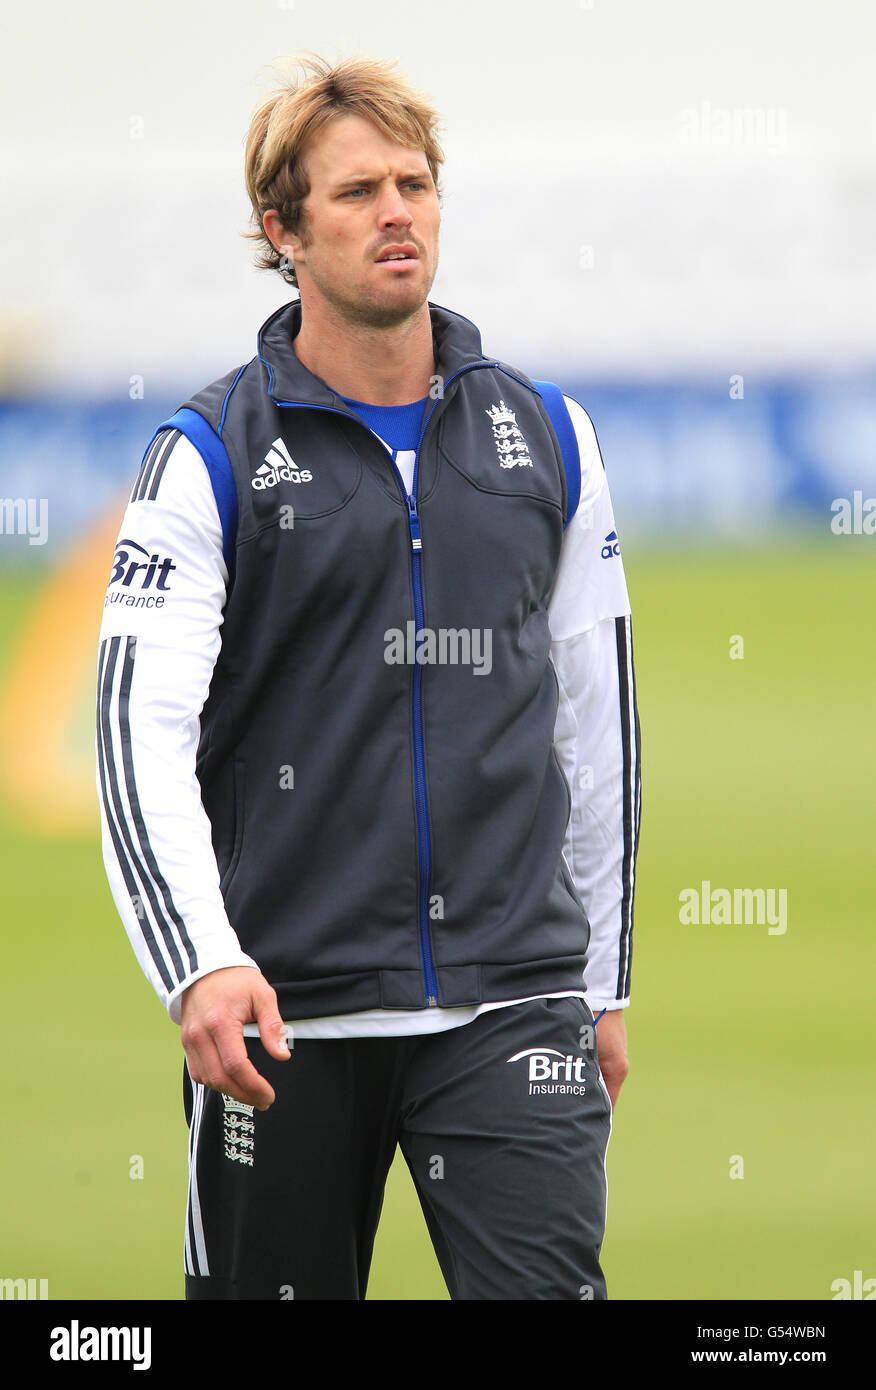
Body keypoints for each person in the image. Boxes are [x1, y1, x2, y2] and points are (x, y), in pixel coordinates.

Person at [95, 53, 641, 1301]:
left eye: (416, 183)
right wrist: (198, 961)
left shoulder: (547, 436)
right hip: (282, 1019)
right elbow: (136, 735)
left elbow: (598, 725)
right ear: (281, 231)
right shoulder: (207, 454)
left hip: (514, 1005)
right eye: (358, 193)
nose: (398, 211)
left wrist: (600, 982)